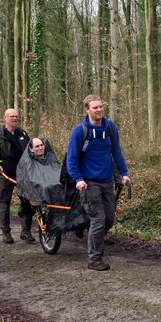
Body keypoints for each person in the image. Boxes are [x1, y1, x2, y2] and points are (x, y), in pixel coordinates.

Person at [66, 94, 130, 271]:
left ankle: (90, 233)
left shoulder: (110, 128)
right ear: (87, 110)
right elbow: (71, 159)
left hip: (107, 181)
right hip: (88, 183)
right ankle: (94, 259)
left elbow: (117, 151)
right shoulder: (80, 131)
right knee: (99, 219)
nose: (99, 110)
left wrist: (123, 173)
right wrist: (78, 179)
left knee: (109, 219)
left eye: (101, 106)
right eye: (95, 107)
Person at [0, 108, 32, 244]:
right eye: (12, 116)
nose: (15, 119)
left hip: (22, 174)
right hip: (4, 175)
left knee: (27, 201)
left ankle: (26, 231)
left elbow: (30, 151)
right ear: (5, 118)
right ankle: (6, 232)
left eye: (16, 116)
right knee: (4, 203)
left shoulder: (23, 134)